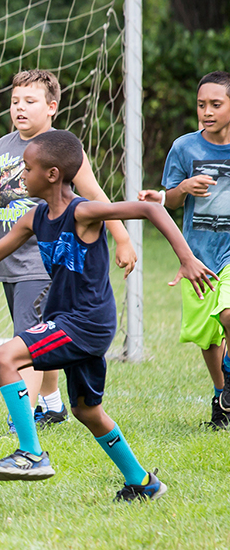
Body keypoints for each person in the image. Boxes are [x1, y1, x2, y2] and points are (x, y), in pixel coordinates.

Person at [0, 130, 214, 501]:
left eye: (27, 168)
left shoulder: (83, 212)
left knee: (3, 358)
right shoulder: (33, 218)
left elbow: (151, 209)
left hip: (86, 321)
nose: (20, 175)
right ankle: (143, 483)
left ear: (52, 174)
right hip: (69, 319)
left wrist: (187, 258)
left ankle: (31, 453)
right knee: (86, 411)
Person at [0, 70, 137, 430]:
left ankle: (23, 419)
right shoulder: (3, 145)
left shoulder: (60, 150)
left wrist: (122, 237)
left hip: (42, 262)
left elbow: (94, 196)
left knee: (26, 337)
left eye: (29, 101)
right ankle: (52, 403)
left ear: (51, 107)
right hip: (10, 259)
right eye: (15, 101)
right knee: (38, 331)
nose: (19, 107)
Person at [139, 71, 230, 429]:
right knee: (207, 337)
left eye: (216, 104)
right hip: (198, 255)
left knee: (228, 314)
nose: (207, 111)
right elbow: (171, 201)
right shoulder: (184, 148)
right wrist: (184, 188)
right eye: (201, 105)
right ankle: (221, 397)